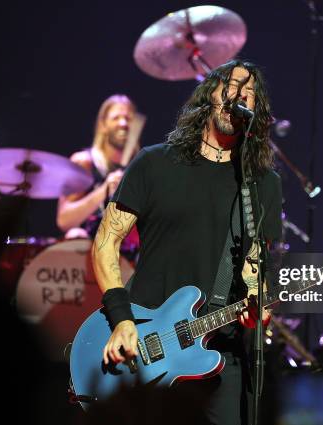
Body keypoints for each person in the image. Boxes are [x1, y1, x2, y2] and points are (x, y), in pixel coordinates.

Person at [92, 60, 283, 425]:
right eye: (231, 85)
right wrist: (121, 318)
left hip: (218, 353)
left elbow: (256, 266)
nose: (240, 94)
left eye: (250, 92)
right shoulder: (154, 163)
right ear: (209, 95)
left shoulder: (262, 184)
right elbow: (106, 240)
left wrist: (260, 306)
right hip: (145, 344)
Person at [56, 94, 141, 246]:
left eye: (128, 118)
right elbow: (64, 220)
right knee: (75, 234)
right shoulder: (84, 163)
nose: (123, 123)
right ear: (103, 125)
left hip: (127, 258)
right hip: (85, 255)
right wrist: (104, 190)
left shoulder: (140, 168)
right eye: (116, 118)